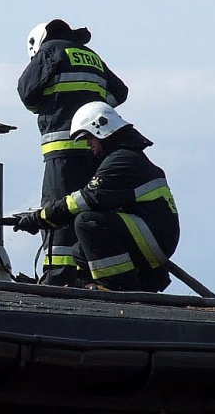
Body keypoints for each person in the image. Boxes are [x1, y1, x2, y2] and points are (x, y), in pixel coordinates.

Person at [13, 102, 180, 292]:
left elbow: (87, 199)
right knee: (80, 251)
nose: (88, 144)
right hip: (151, 238)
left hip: (153, 239)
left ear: (101, 130)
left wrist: (43, 217)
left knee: (88, 222)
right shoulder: (127, 157)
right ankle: (103, 284)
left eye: (89, 138)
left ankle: (114, 286)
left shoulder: (123, 160)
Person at [17, 19, 128, 286]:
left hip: (62, 148)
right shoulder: (91, 56)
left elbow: (26, 91)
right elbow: (120, 92)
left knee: (57, 210)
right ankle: (81, 273)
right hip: (96, 149)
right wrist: (94, 105)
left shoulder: (50, 51)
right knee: (84, 208)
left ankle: (56, 277)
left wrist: (51, 106)